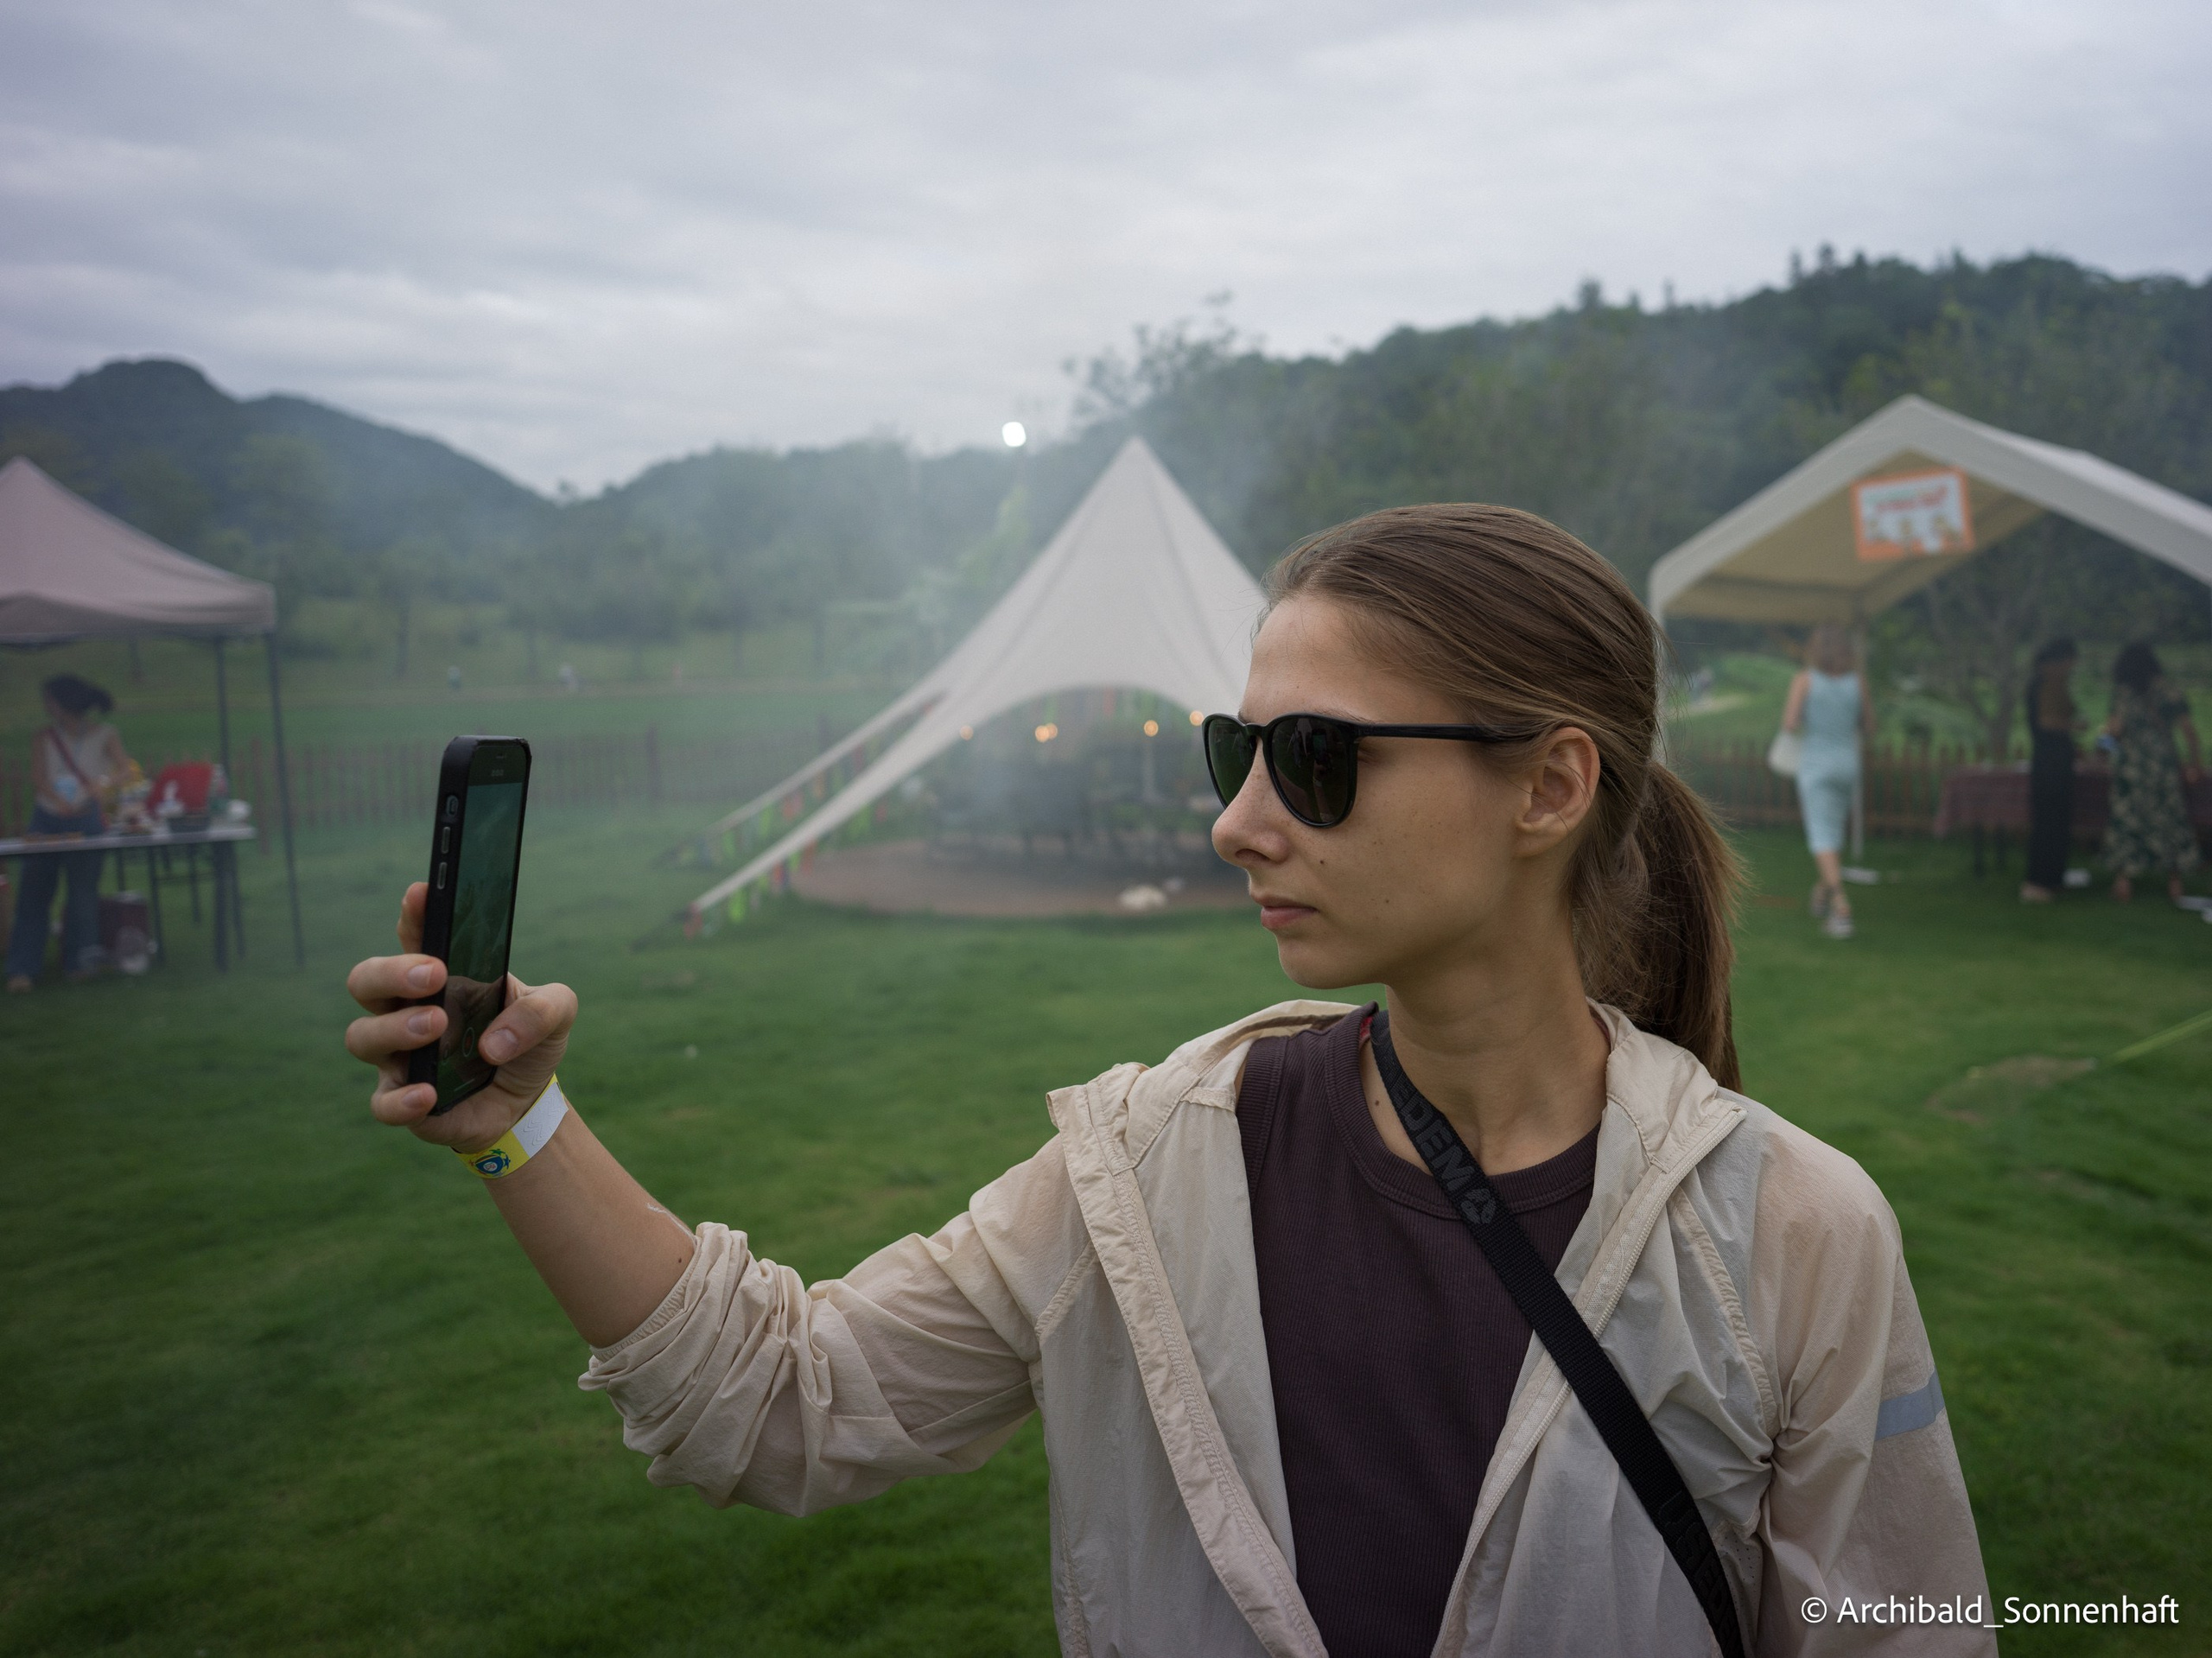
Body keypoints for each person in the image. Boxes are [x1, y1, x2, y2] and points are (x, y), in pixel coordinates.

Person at [346, 506, 1993, 1656]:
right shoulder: (1150, 1164)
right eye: (1236, 750)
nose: (1237, 821)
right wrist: (518, 1124)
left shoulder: (1793, 1228)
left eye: (1316, 760)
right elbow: (777, 1399)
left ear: (1551, 785)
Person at [5, 674, 130, 993]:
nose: (46, 706)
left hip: (87, 820)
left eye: (49, 700)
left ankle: (80, 964)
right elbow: (38, 776)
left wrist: (101, 786)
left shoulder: (105, 734)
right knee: (34, 895)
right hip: (47, 820)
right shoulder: (43, 736)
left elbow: (125, 769)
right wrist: (58, 801)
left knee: (82, 897)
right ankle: (22, 969)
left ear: (62, 703)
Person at [1779, 623, 1873, 937]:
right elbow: (1869, 725)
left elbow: (1790, 723)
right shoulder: (1857, 682)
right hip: (1848, 764)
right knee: (1833, 832)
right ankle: (1821, 892)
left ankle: (1841, 907)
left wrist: (1812, 718)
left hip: (1816, 765)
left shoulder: (1805, 680)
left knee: (1821, 834)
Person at [2101, 642, 2202, 904]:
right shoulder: (2169, 691)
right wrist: (2195, 764)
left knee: (2127, 820)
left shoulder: (2123, 694)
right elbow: (2188, 730)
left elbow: (2114, 731)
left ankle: (2124, 881)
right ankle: (2175, 882)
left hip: (2131, 767)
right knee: (2169, 819)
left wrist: (2102, 747)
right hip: (2162, 766)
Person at [2020, 638, 2082, 903]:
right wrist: (2073, 726)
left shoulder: (2052, 684)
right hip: (2050, 763)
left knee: (2057, 821)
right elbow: (2046, 721)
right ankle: (2038, 880)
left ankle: (2053, 879)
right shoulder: (2045, 685)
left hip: (2055, 760)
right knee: (2048, 822)